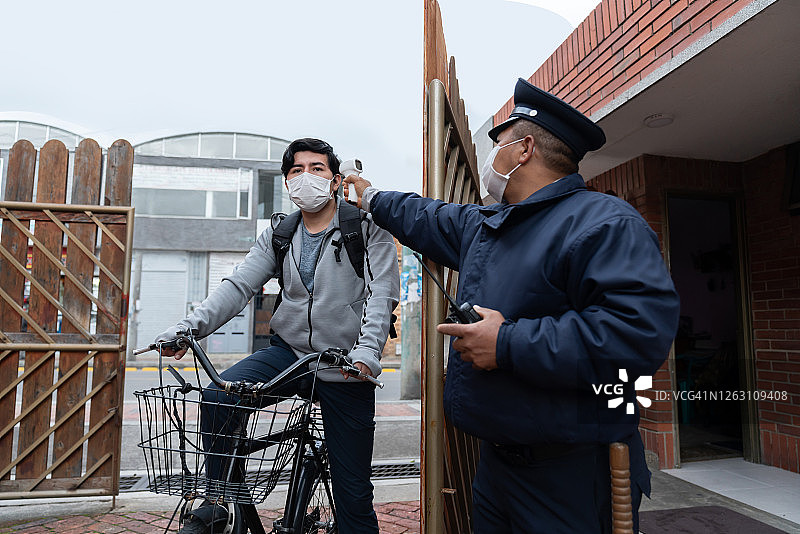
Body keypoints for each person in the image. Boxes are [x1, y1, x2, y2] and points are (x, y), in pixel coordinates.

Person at [344, 79, 680, 533]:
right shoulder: (488, 225)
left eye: (498, 143)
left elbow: (634, 337)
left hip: (571, 474)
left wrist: (507, 343)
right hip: (498, 467)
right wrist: (368, 196)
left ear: (523, 149)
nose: (491, 156)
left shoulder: (605, 223)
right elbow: (422, 215)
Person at [155, 138, 400, 534]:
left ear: (336, 180)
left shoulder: (366, 228)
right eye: (296, 170)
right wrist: (188, 328)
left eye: (317, 169)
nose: (307, 177)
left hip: (346, 364)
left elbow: (381, 294)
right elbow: (238, 286)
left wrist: (368, 352)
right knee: (218, 397)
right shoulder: (280, 234)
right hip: (289, 355)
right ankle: (218, 500)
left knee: (353, 493)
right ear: (287, 183)